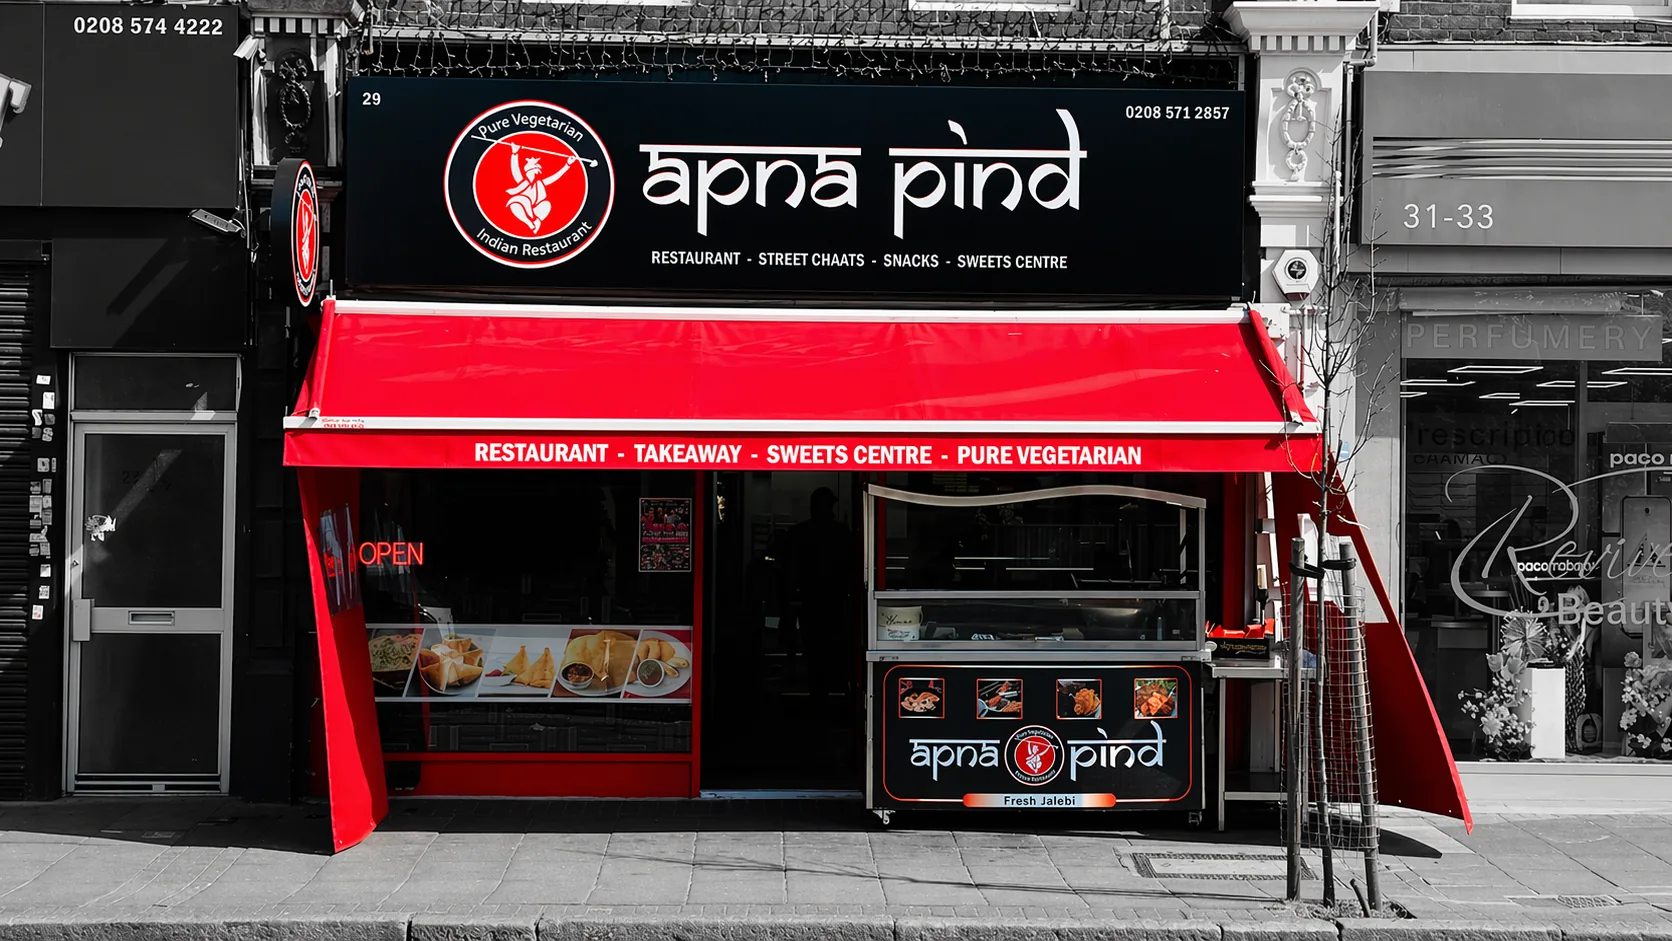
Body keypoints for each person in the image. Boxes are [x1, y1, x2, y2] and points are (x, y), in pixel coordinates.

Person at [786, 488, 854, 721]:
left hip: (810, 600)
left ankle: (818, 697)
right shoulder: (841, 532)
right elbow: (850, 567)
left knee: (813, 650)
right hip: (834, 600)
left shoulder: (800, 532)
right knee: (835, 649)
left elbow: (791, 569)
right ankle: (835, 695)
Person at [505, 142, 577, 235]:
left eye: (533, 172)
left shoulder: (540, 183)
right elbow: (515, 169)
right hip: (523, 207)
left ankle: (534, 220)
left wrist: (567, 164)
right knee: (518, 202)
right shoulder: (522, 181)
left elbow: (555, 177)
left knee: (546, 204)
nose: (531, 175)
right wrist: (515, 153)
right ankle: (531, 224)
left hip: (536, 208)